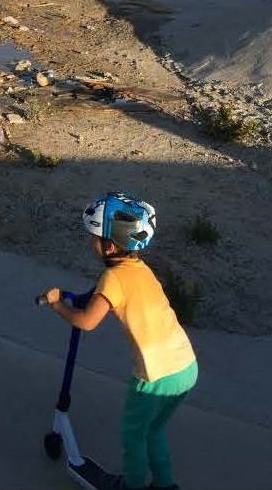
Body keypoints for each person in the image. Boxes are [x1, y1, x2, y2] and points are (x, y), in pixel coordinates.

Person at [41, 192, 198, 490]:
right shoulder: (140, 270)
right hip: (186, 367)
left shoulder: (112, 280)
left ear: (109, 245)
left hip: (154, 376)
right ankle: (165, 484)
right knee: (154, 431)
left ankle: (133, 486)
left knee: (133, 436)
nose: (91, 242)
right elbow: (123, 295)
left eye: (94, 237)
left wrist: (57, 304)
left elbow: (86, 322)